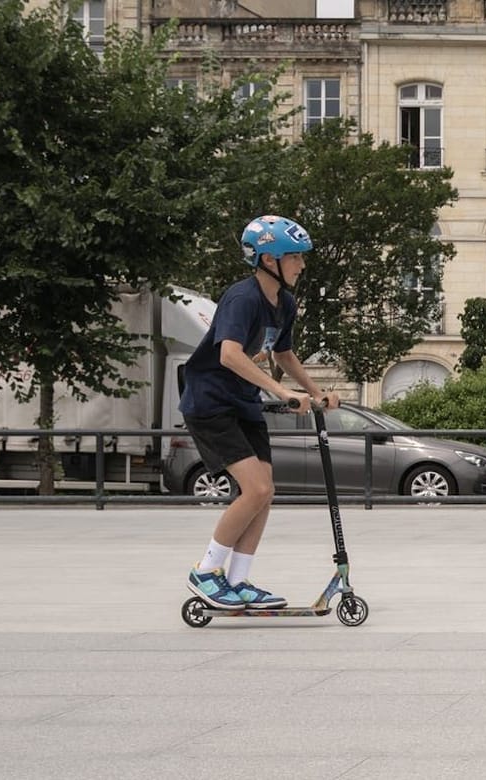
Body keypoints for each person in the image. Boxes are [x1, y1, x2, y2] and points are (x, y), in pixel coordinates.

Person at [181, 214, 339, 609]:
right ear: (270, 260)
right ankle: (206, 571)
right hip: (212, 402)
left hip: (242, 402)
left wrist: (317, 393)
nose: (302, 265)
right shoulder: (243, 297)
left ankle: (237, 581)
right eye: (295, 258)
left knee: (265, 493)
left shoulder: (284, 302)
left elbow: (282, 353)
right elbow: (229, 354)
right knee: (258, 489)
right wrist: (281, 392)